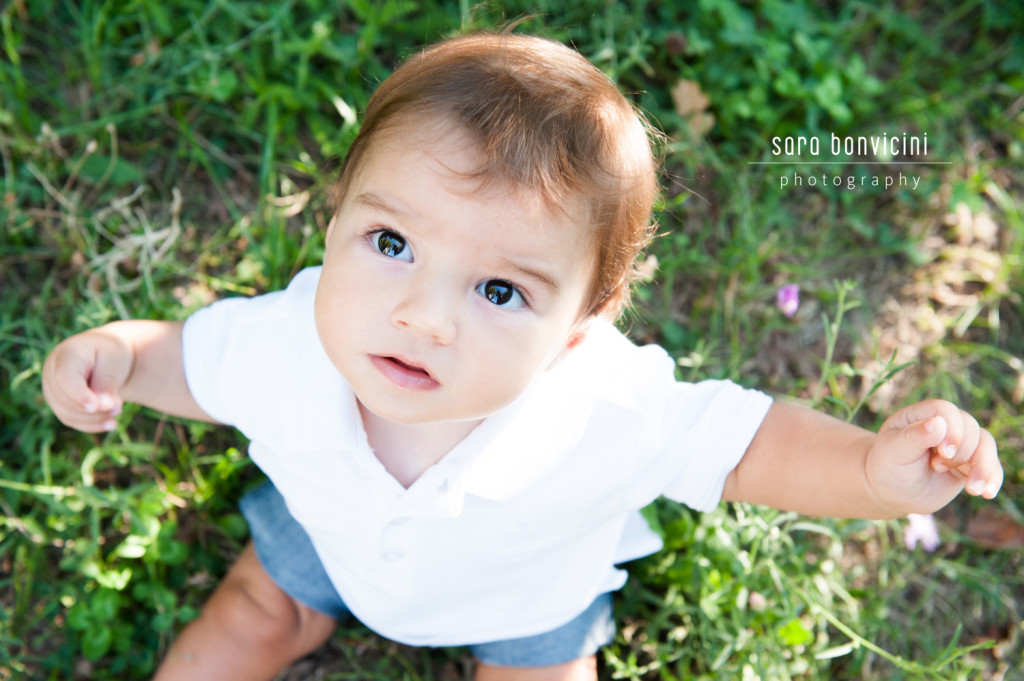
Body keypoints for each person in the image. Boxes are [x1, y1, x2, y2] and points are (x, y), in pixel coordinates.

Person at [41, 32, 1002, 681]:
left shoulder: (605, 403)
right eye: (390, 244)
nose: (423, 316)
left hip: (525, 595)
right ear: (335, 223)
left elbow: (751, 446)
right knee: (258, 608)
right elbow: (192, 362)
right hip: (328, 541)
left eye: (499, 291)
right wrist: (119, 360)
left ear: (581, 322)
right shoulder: (290, 341)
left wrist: (877, 475)